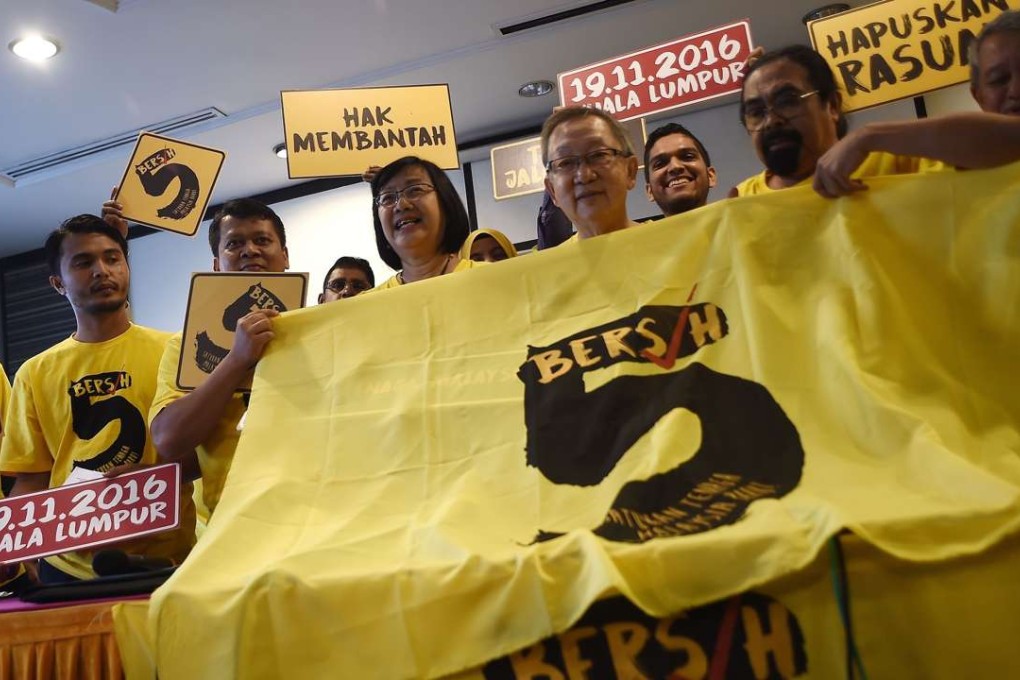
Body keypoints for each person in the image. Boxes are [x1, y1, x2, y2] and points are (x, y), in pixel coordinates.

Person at [0, 215, 195, 582]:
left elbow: (206, 453)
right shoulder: (34, 372)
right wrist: (16, 545)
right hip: (66, 566)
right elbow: (30, 478)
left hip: (169, 557)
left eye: (112, 258)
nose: (102, 270)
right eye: (83, 262)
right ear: (58, 283)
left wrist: (159, 476)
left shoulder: (177, 350)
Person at [147, 199, 289, 517]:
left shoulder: (321, 328)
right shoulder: (185, 347)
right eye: (234, 243)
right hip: (233, 521)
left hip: (317, 512)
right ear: (216, 264)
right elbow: (169, 440)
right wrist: (236, 360)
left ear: (285, 256)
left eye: (262, 240)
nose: (249, 250)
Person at [370, 156, 474, 289]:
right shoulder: (365, 306)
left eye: (415, 190)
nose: (401, 205)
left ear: (446, 200)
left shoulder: (497, 281)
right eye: (388, 198)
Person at [541, 107, 640, 241]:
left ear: (630, 171)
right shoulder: (550, 262)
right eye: (566, 163)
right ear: (552, 190)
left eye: (599, 155)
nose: (584, 175)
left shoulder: (671, 244)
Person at [643, 122, 716, 216]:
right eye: (660, 163)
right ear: (650, 191)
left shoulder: (738, 225)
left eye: (688, 156)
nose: (675, 166)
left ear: (711, 176)